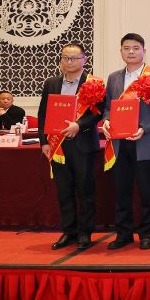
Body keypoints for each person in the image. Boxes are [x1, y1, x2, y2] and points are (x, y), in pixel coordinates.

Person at [101, 33, 150, 250]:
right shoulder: (114, 78)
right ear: (121, 51)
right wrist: (106, 121)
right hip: (120, 143)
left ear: (144, 51)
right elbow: (108, 107)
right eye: (126, 48)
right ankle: (124, 234)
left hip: (145, 142)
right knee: (122, 191)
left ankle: (147, 234)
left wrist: (144, 128)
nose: (131, 52)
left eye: (136, 48)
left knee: (147, 192)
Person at [37, 42, 102, 251]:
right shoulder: (51, 83)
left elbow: (98, 113)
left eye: (74, 58)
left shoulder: (94, 83)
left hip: (83, 144)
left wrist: (78, 125)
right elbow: (42, 114)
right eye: (65, 57)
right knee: (64, 191)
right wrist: (44, 142)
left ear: (84, 60)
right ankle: (69, 232)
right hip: (58, 146)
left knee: (85, 191)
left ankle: (85, 233)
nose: (69, 61)